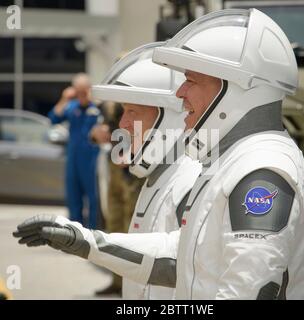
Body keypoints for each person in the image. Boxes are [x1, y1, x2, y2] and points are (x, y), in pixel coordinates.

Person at [14, 9, 304, 299]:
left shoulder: (261, 171)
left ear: (233, 88)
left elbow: (247, 290)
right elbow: (187, 256)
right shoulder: (235, 163)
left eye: (191, 80)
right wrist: (83, 240)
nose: (179, 93)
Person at [14, 43, 201, 300]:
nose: (123, 123)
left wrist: (87, 242)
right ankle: (115, 281)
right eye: (123, 111)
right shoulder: (159, 179)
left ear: (166, 118)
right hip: (109, 168)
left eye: (132, 111)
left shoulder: (188, 182)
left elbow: (176, 258)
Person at [91, 102, 145, 295]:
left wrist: (136, 154)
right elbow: (101, 130)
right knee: (114, 224)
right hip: (114, 166)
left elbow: (152, 128)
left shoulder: (135, 97)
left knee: (131, 226)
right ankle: (117, 281)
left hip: (133, 170)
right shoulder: (107, 104)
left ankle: (130, 284)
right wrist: (97, 133)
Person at [48, 73, 100, 229]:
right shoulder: (71, 107)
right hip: (73, 158)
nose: (81, 95)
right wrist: (65, 98)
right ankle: (74, 231)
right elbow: (53, 118)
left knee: (93, 198)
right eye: (78, 92)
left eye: (84, 91)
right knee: (73, 196)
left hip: (91, 159)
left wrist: (93, 99)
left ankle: (93, 230)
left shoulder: (96, 108)